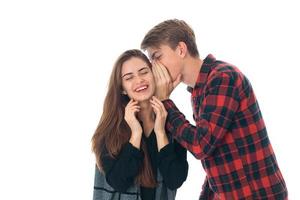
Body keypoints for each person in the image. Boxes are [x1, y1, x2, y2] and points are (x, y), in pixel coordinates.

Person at [141, 19, 288, 199]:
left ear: (181, 49)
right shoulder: (200, 89)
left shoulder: (223, 78)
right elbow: (218, 155)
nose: (154, 66)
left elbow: (200, 145)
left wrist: (165, 102)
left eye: (156, 56)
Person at [91, 49, 188, 200]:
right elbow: (118, 182)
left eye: (144, 72)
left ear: (153, 75)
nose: (139, 80)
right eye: (129, 78)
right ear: (122, 88)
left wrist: (161, 133)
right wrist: (136, 134)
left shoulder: (173, 122)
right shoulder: (111, 128)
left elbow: (175, 180)